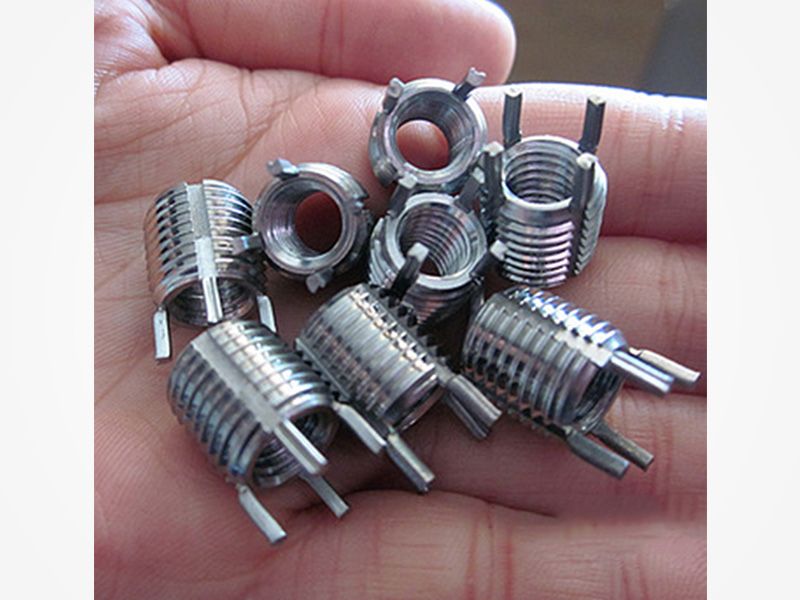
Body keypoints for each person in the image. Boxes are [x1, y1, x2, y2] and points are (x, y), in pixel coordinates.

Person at [95, 1, 707, 597]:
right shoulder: (335, 272)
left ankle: (575, 392)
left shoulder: (456, 258)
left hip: (432, 309)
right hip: (376, 322)